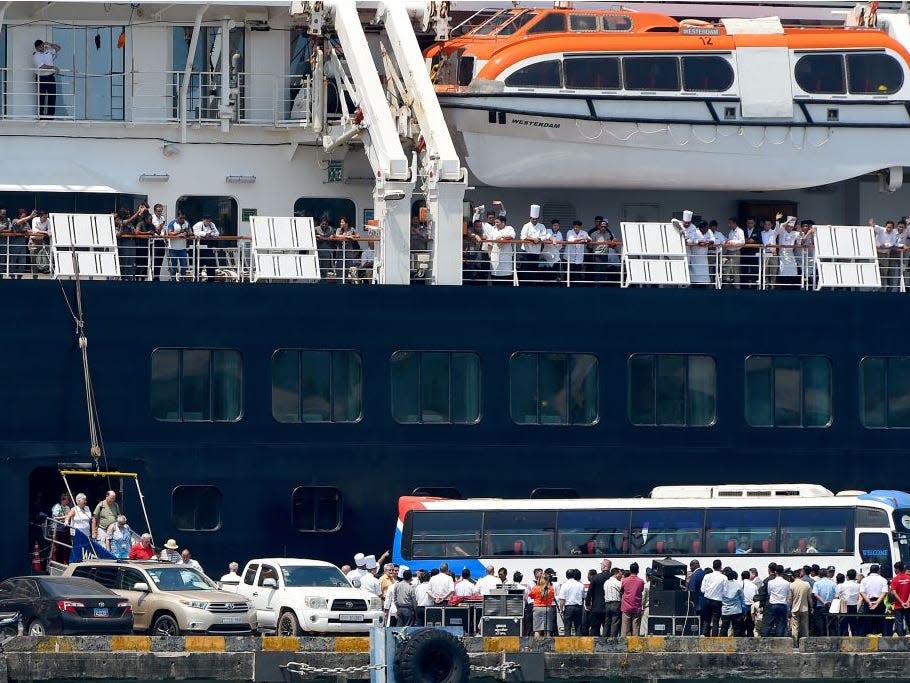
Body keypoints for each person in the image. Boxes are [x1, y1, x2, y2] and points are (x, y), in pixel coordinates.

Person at [33, 39, 61, 118]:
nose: (43, 47)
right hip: (41, 78)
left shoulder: (48, 51)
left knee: (52, 96)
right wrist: (53, 67)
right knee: (41, 97)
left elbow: (58, 48)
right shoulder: (36, 55)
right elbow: (42, 66)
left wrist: (49, 44)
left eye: (43, 45)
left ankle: (50, 115)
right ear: (37, 48)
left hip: (50, 77)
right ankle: (41, 115)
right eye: (41, 46)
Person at [859, 563, 889, 635]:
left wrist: (869, 602)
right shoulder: (883, 580)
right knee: (880, 622)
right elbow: (884, 592)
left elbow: (862, 592)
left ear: (870, 570)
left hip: (868, 603)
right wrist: (877, 602)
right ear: (878, 571)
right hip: (879, 602)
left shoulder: (864, 580)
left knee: (867, 622)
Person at [584, 559, 611, 636]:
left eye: (601, 564)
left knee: (595, 627)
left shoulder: (596, 577)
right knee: (607, 628)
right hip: (608, 606)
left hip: (596, 607)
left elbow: (590, 592)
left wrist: (587, 603)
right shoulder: (612, 577)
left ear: (604, 566)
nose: (601, 566)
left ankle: (595, 645)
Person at [762, 564, 790, 637]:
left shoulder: (770, 582)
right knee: (781, 625)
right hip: (782, 604)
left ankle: (764, 639)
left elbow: (769, 592)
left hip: (773, 604)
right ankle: (779, 640)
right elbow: (788, 595)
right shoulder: (787, 583)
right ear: (783, 572)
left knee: (768, 623)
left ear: (775, 572)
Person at [700, 560, 726, 636]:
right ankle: (714, 636)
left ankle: (704, 634)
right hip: (717, 600)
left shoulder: (707, 576)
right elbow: (725, 592)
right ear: (721, 567)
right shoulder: (723, 577)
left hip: (707, 599)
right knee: (715, 620)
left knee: (706, 619)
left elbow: (702, 590)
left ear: (713, 566)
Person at [620, 562, 645, 637]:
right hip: (636, 606)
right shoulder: (641, 581)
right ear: (638, 571)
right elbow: (641, 590)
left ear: (630, 571)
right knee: (636, 628)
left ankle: (624, 645)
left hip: (626, 607)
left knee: (625, 628)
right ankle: (635, 645)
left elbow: (622, 591)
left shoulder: (625, 580)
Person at [557, 568, 585, 636]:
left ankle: (567, 643)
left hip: (568, 607)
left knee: (567, 627)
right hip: (578, 607)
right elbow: (583, 597)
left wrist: (561, 609)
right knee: (578, 626)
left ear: (567, 576)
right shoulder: (580, 585)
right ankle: (579, 643)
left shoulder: (565, 585)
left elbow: (562, 599)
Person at [164, 211, 191, 280]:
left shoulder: (186, 223)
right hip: (173, 248)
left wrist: (187, 233)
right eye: (181, 218)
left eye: (184, 218)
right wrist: (179, 233)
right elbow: (169, 233)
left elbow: (191, 232)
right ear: (177, 217)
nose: (182, 219)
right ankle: (173, 279)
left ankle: (183, 278)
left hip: (182, 248)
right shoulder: (172, 223)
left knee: (184, 265)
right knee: (174, 265)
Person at [529, 572, 557, 637]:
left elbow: (531, 596)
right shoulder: (551, 588)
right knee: (547, 630)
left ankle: (537, 646)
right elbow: (552, 596)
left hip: (537, 608)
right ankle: (548, 646)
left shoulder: (535, 588)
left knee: (537, 630)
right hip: (548, 608)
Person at [719, 567, 745, 636]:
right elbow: (742, 597)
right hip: (736, 609)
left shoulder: (722, 585)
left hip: (725, 610)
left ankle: (722, 643)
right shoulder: (738, 584)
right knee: (737, 629)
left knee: (724, 628)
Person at [49, 493, 71, 563]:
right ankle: (54, 561)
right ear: (63, 500)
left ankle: (63, 561)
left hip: (64, 529)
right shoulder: (57, 506)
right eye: (67, 499)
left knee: (64, 547)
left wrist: (67, 517)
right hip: (56, 529)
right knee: (55, 546)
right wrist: (65, 517)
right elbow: (55, 518)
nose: (69, 501)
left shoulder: (67, 507)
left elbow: (69, 517)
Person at [890, 561, 910, 637]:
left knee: (899, 622)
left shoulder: (894, 579)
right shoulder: (908, 578)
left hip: (898, 606)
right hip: (908, 605)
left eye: (895, 569)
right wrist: (907, 601)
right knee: (909, 621)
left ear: (897, 569)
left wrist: (901, 602)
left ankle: (901, 639)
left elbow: (894, 593)